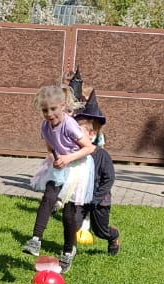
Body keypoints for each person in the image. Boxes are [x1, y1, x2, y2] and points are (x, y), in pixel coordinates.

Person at [21, 83, 95, 271]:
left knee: (69, 215)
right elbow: (50, 148)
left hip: (77, 167)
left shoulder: (69, 125)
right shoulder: (45, 126)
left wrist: (68, 158)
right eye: (45, 110)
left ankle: (68, 251)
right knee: (48, 198)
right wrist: (54, 159)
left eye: (53, 109)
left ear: (62, 105)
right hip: (60, 165)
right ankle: (35, 240)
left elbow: (89, 148)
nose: (49, 114)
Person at [71, 92, 121, 255]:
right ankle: (69, 251)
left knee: (100, 231)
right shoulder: (76, 152)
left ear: (92, 134)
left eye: (79, 133)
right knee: (72, 224)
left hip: (99, 200)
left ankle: (113, 236)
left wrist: (97, 197)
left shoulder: (102, 155)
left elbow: (109, 178)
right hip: (80, 198)